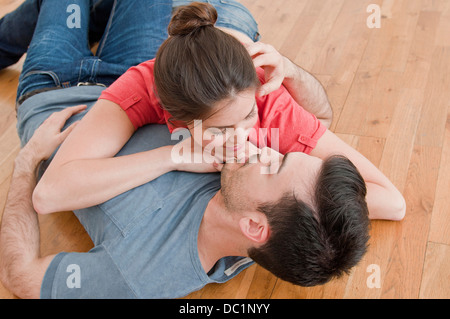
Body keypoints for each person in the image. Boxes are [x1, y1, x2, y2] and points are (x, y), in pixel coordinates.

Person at [0, 0, 375, 299]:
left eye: (274, 166)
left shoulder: (141, 276)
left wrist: (26, 162)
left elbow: (21, 275)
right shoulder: (256, 193)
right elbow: (383, 200)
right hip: (140, 76)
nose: (266, 147)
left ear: (254, 227)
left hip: (57, 92)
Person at [31, 1, 406, 222]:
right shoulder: (144, 86)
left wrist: (289, 188)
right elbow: (49, 195)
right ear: (173, 117)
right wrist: (172, 156)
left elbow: (392, 200)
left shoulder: (266, 101)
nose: (243, 136)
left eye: (247, 117)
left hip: (227, 19)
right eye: (222, 128)